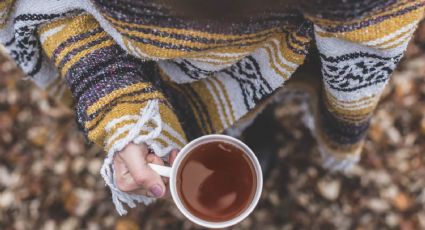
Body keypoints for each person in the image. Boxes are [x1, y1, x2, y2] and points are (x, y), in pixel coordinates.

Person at [0, 0, 423, 215]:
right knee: (235, 120)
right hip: (146, 66)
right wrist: (121, 111)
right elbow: (53, 9)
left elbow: (376, 25)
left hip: (285, 58)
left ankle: (252, 121)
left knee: (256, 105)